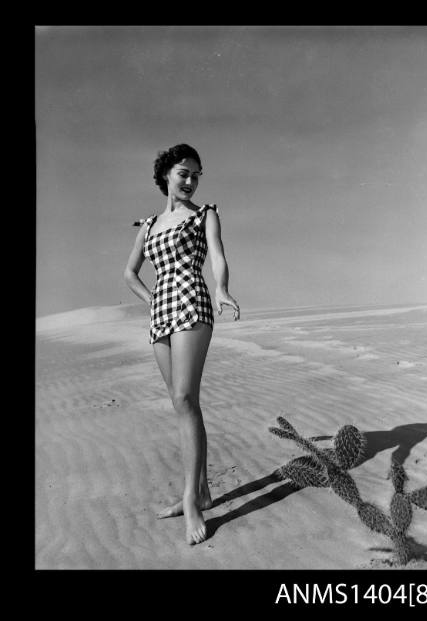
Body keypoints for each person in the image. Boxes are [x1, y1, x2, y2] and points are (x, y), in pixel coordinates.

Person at [124, 144, 240, 545]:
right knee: (179, 403)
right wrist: (151, 299)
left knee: (185, 397)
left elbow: (218, 257)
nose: (190, 181)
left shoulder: (206, 215)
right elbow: (130, 272)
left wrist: (222, 288)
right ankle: (203, 490)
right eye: (183, 174)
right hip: (161, 312)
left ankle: (191, 500)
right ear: (166, 176)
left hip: (191, 301)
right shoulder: (149, 224)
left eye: (196, 175)